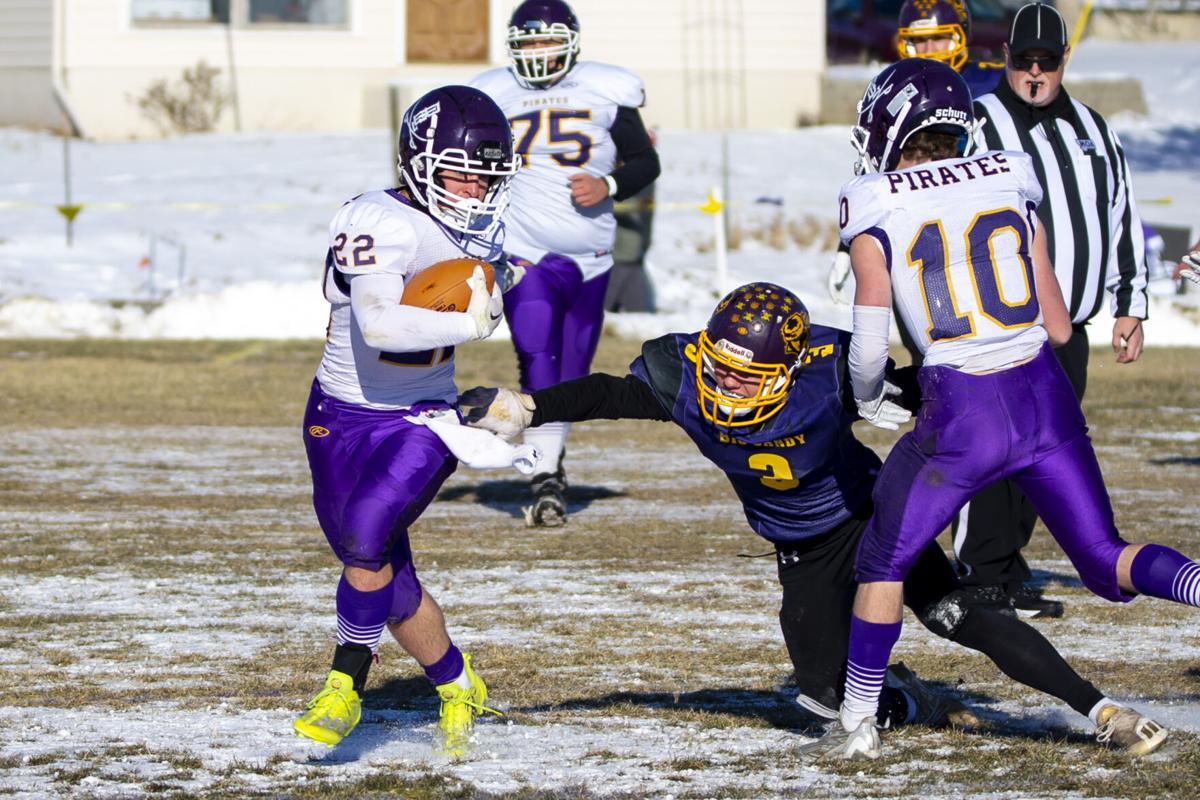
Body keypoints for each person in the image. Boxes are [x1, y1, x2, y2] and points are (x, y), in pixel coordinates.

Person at [459, 281, 1162, 754]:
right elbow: (610, 392)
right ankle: (903, 702)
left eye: (746, 374)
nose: (726, 383)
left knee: (957, 615)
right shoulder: (684, 378)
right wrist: (528, 407)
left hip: (870, 512)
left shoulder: (827, 375)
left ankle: (1098, 710)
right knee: (821, 699)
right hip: (799, 545)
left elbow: (924, 393)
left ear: (790, 370)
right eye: (721, 366)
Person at [818, 58, 1192, 761]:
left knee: (884, 559)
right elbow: (1055, 323)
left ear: (890, 123)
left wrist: (870, 399)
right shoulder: (1009, 175)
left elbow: (870, 338)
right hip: (1045, 394)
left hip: (964, 409)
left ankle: (858, 725)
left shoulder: (875, 200)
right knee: (1105, 559)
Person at [292, 85, 522, 758]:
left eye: (487, 174)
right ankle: (456, 682)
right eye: (461, 170)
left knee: (366, 541)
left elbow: (488, 299)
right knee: (386, 579)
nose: (476, 188)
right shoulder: (378, 218)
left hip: (422, 417)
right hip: (338, 414)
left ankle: (342, 687)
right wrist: (468, 319)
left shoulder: (482, 225)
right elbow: (379, 322)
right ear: (419, 159)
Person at [951, 1, 1151, 619]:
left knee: (1048, 455)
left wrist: (1130, 304)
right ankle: (980, 576)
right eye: (1022, 61)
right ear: (1004, 59)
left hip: (1075, 328)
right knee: (995, 452)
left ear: (1065, 61)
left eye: (1047, 62)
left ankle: (1008, 573)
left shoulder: (1094, 128)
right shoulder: (977, 125)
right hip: (1002, 328)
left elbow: (1120, 217)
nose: (1034, 74)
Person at [469, 0, 661, 527]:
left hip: (592, 256)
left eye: (545, 41)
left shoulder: (606, 88)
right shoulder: (492, 91)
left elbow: (646, 161)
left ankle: (549, 459)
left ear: (570, 41)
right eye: (527, 43)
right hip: (524, 249)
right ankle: (545, 476)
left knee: (571, 373)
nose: (536, 52)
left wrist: (610, 184)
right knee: (536, 354)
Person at [828, 0, 1002, 364]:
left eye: (939, 39)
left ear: (962, 35)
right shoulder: (901, 85)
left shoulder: (992, 81)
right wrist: (848, 245)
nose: (928, 51)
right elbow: (874, 163)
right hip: (918, 243)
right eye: (917, 42)